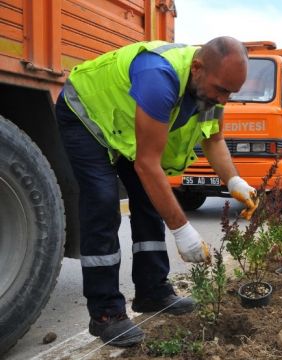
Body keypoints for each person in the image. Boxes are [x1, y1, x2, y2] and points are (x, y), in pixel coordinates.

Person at [56, 37, 258, 347]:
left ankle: (152, 292)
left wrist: (234, 182)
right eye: (221, 90)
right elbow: (148, 165)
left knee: (150, 198)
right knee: (102, 200)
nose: (225, 99)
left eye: (231, 92)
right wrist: (182, 230)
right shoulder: (159, 76)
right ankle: (106, 314)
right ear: (198, 68)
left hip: (121, 127)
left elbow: (214, 141)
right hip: (85, 115)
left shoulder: (208, 91)